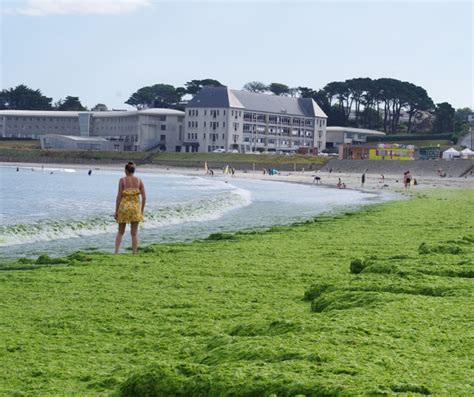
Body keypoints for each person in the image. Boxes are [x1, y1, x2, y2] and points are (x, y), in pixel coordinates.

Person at [114, 162, 146, 255]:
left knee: (120, 232)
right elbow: (144, 197)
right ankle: (134, 253)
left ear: (126, 171)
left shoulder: (122, 180)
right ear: (133, 171)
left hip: (124, 208)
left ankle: (116, 252)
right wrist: (141, 211)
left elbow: (118, 197)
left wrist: (116, 211)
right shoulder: (139, 180)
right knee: (134, 233)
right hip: (135, 208)